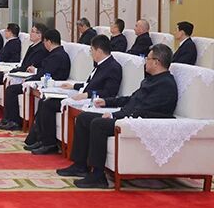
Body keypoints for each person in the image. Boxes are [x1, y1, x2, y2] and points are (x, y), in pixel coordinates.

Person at [57, 44, 178, 189]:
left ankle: (98, 176)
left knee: (98, 124)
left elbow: (144, 110)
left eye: (148, 59)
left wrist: (115, 115)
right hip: (129, 116)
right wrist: (107, 101)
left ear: (156, 62)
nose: (145, 61)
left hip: (141, 123)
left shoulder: (165, 85)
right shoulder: (150, 80)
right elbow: (131, 99)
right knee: (84, 118)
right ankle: (80, 165)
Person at [25, 35, 123, 155]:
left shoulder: (113, 67)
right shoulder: (101, 64)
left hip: (93, 101)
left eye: (91, 50)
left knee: (48, 105)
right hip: (83, 95)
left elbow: (109, 92)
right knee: (45, 101)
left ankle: (49, 143)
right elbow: (90, 83)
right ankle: (41, 139)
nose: (91, 53)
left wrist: (86, 94)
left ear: (99, 51)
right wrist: (73, 86)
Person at [0, 28, 71, 131]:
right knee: (12, 89)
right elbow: (44, 70)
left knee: (12, 90)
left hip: (51, 84)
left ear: (49, 42)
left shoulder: (57, 56)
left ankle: (14, 121)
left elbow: (45, 73)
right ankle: (8, 119)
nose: (44, 44)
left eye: (44, 42)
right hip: (44, 81)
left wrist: (29, 79)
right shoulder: (55, 54)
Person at [0, 23, 49, 119]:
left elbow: (29, 66)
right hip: (20, 70)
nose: (30, 33)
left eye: (33, 32)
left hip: (25, 75)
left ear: (39, 35)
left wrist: (14, 70)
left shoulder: (41, 49)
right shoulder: (33, 46)